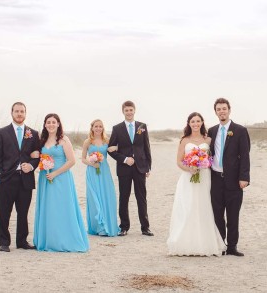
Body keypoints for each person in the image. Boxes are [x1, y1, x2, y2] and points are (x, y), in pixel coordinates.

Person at [167, 112, 225, 256]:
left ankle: (205, 243)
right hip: (188, 177)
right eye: (192, 121)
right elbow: (179, 161)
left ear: (202, 123)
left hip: (205, 177)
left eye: (198, 121)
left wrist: (202, 163)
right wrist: (190, 168)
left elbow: (213, 159)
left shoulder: (209, 140)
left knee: (203, 206)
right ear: (189, 123)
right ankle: (184, 242)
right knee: (188, 207)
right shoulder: (184, 141)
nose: (195, 124)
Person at [33, 114, 89, 252]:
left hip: (61, 178)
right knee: (48, 208)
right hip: (45, 178)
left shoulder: (64, 140)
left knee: (61, 207)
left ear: (58, 124)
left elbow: (71, 161)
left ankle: (64, 240)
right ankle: (49, 240)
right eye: (48, 122)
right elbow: (36, 156)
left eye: (54, 122)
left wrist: (55, 173)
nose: (51, 124)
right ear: (45, 124)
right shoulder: (42, 140)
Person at [0, 102, 41, 252]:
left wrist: (32, 165)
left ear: (25, 113)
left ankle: (22, 241)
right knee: (4, 211)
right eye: (17, 111)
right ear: (12, 112)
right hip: (7, 178)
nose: (19, 114)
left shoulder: (33, 133)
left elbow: (37, 155)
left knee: (23, 212)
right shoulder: (2, 132)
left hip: (25, 180)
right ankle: (4, 242)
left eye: (22, 111)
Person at [208, 98, 251, 257]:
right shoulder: (212, 131)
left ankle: (232, 246)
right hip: (216, 178)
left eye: (224, 108)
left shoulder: (240, 130)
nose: (222, 111)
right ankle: (221, 245)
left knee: (233, 214)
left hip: (234, 179)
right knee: (217, 214)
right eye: (218, 109)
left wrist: (244, 177)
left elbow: (245, 155)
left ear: (229, 110)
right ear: (216, 112)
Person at [108, 100, 153, 236]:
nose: (129, 112)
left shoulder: (142, 126)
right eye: (126, 110)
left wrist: (148, 167)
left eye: (131, 110)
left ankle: (145, 228)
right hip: (124, 168)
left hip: (140, 167)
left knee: (142, 197)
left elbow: (146, 147)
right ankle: (124, 227)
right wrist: (125, 159)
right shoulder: (117, 128)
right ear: (123, 112)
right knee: (124, 197)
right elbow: (111, 150)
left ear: (134, 110)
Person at [81, 119, 119, 237]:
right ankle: (99, 227)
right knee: (94, 198)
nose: (98, 128)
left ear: (103, 128)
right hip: (92, 172)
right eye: (96, 126)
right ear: (92, 128)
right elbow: (82, 159)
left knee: (106, 196)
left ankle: (106, 224)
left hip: (104, 172)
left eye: (100, 126)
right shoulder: (88, 142)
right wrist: (92, 163)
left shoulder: (107, 140)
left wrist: (116, 148)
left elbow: (118, 147)